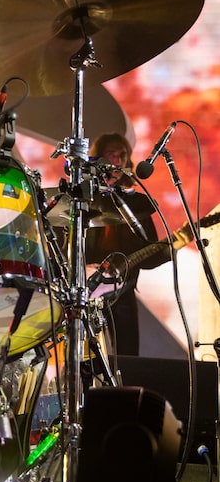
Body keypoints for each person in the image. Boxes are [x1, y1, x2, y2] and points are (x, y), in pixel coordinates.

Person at [85, 132, 167, 357]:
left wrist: (170, 248)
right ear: (99, 158)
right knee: (88, 360)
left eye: (122, 155)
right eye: (112, 154)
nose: (118, 160)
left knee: (127, 359)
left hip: (124, 293)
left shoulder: (136, 206)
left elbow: (149, 253)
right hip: (88, 291)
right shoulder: (84, 202)